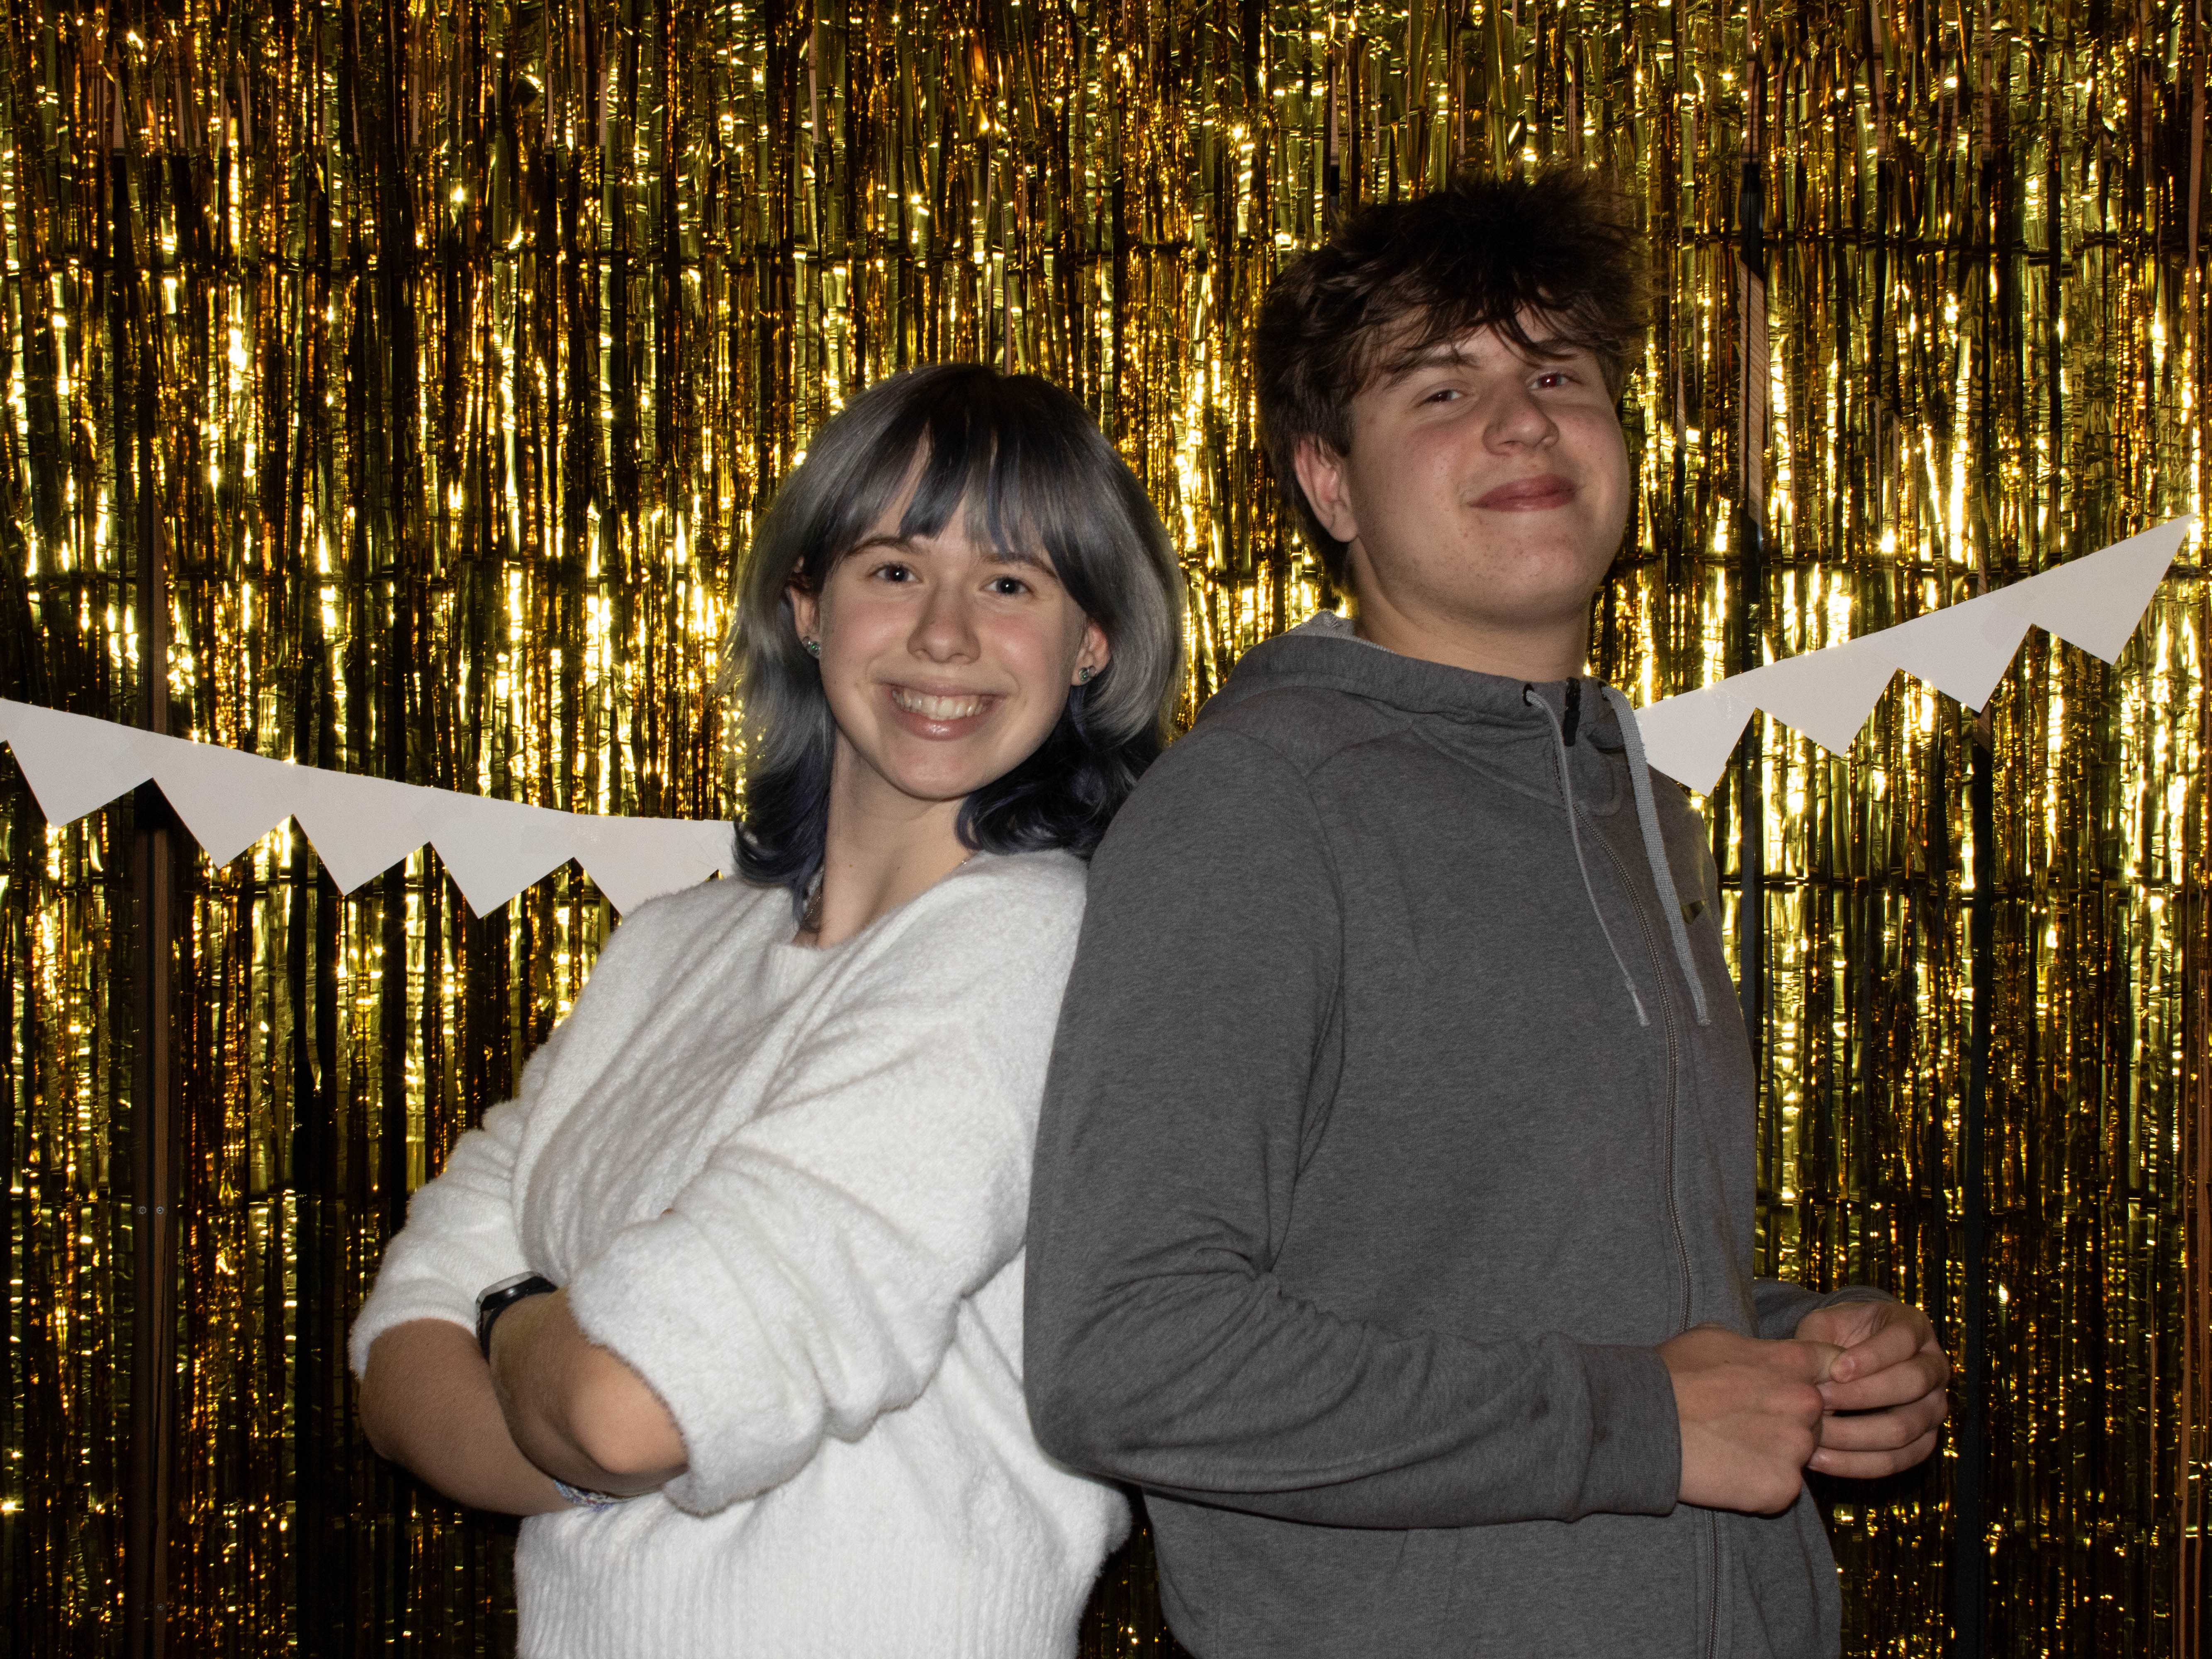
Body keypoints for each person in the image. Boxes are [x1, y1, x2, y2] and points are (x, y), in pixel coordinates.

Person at [1023, 169, 1951, 1657]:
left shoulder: (1638, 806)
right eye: (1444, 388)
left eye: (1560, 375)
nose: (1524, 423)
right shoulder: (1257, 808)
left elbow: (1520, 1277)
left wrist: (1797, 1354)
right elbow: (1128, 1358)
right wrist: (1638, 1420)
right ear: (1330, 483)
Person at [350, 362, 1185, 1657]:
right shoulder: (672, 948)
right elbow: (400, 1362)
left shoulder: (1036, 940)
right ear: (807, 605)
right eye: (895, 568)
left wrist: (510, 1311)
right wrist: (588, 1422)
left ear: (1094, 643)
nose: (945, 635)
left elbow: (631, 1410)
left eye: (1011, 584)